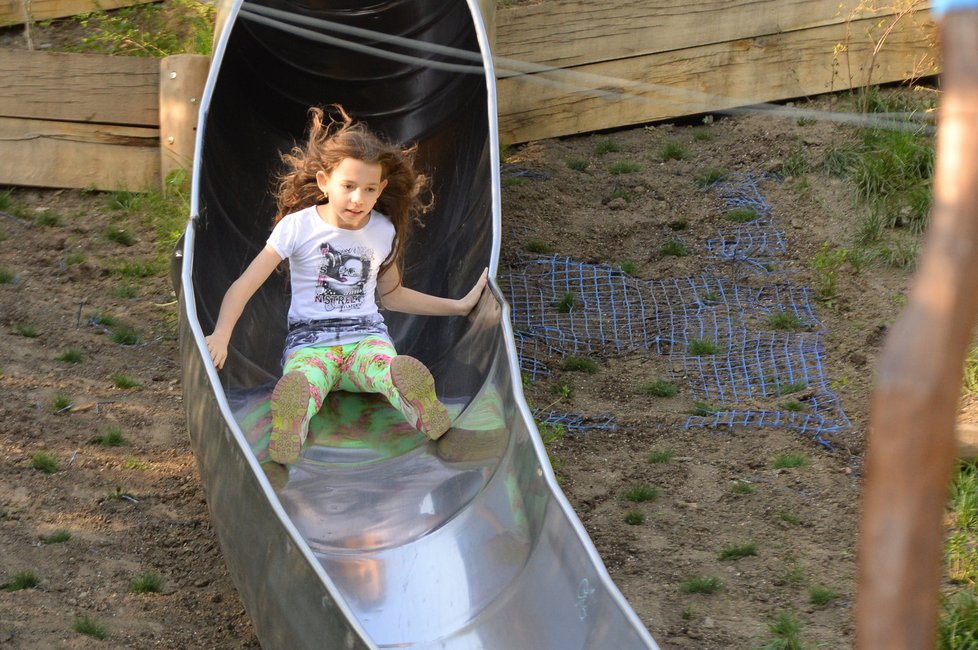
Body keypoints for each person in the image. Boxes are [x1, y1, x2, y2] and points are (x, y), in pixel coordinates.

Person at [205, 105, 488, 465]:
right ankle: (291, 425)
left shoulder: (383, 231)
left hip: (365, 336)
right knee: (305, 381)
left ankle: (423, 410)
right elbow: (244, 285)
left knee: (384, 369)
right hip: (311, 340)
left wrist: (459, 305)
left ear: (382, 188)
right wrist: (221, 335)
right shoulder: (298, 228)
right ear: (324, 181)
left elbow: (392, 294)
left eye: (369, 189)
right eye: (349, 186)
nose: (358, 198)